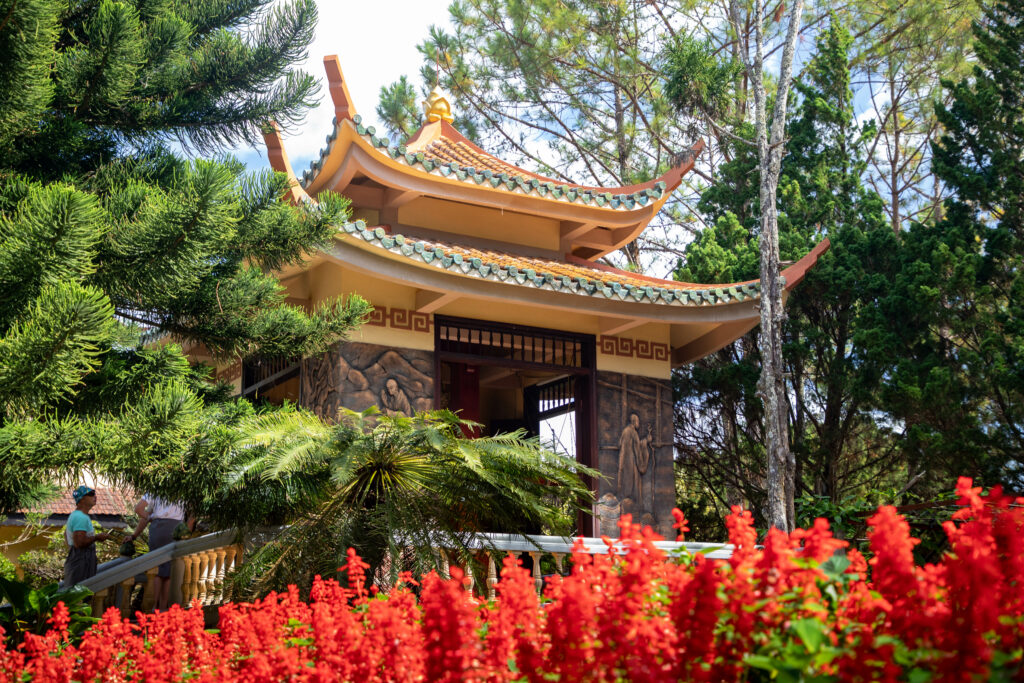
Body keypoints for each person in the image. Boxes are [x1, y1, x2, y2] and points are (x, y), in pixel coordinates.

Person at [129, 494, 191, 611]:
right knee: (168, 571)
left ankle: (154, 606)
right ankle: (163, 607)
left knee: (157, 569)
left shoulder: (155, 487)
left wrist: (150, 517)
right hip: (175, 528)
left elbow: (138, 509)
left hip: (157, 529)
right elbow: (193, 512)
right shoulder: (182, 488)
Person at [63, 486, 114, 587]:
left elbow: (66, 534)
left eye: (94, 494)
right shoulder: (80, 517)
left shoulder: (78, 515)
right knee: (80, 593)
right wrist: (96, 537)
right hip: (81, 559)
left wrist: (71, 550)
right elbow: (79, 543)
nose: (95, 496)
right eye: (90, 494)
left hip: (79, 557)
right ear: (81, 499)